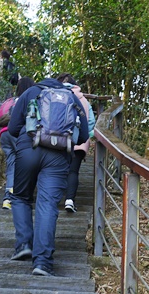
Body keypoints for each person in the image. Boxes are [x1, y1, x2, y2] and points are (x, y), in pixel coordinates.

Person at [7, 77, 89, 276]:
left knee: (20, 196)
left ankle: (24, 244)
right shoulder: (72, 97)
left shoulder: (30, 93)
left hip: (29, 147)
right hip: (59, 156)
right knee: (47, 204)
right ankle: (42, 262)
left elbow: (11, 128)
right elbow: (84, 135)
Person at [57, 73, 97, 213]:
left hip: (58, 141)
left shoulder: (56, 96)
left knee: (58, 170)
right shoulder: (84, 100)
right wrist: (87, 136)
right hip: (79, 142)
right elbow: (91, 123)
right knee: (73, 171)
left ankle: (53, 199)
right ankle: (70, 200)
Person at [0, 77, 35, 210]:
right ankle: (22, 196)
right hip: (18, 135)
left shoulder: (12, 101)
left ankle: (7, 198)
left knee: (11, 164)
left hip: (4, 134)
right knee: (27, 164)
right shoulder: (29, 100)